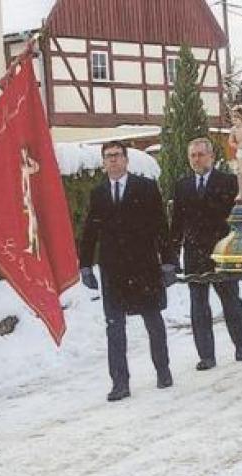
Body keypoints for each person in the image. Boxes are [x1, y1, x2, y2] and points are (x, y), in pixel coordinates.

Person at [79, 141, 176, 402]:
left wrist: (168, 262)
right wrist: (85, 265)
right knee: (114, 327)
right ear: (103, 162)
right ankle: (120, 382)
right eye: (108, 157)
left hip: (143, 266)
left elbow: (160, 227)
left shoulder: (145, 188)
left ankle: (163, 369)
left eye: (117, 156)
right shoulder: (98, 193)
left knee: (153, 321)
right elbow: (89, 231)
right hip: (114, 270)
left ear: (126, 160)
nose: (113, 161)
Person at [170, 137, 242, 370]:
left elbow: (239, 220)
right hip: (194, 254)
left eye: (201, 155)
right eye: (192, 155)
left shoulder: (228, 181)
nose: (197, 159)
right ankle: (206, 355)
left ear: (211, 157)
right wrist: (172, 256)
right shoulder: (182, 185)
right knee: (198, 305)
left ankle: (241, 343)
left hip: (222, 251)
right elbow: (177, 223)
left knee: (230, 299)